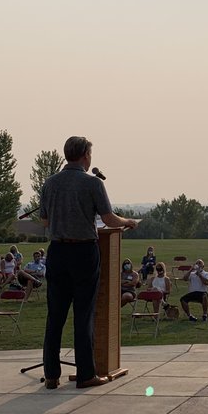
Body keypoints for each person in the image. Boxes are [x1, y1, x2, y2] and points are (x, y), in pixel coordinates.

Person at [37, 135, 139, 390]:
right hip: (83, 252)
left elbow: (45, 222)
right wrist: (127, 222)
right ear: (85, 156)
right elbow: (108, 218)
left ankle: (51, 375)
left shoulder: (50, 183)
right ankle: (85, 375)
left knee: (55, 316)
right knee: (83, 314)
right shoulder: (92, 183)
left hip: (57, 251)